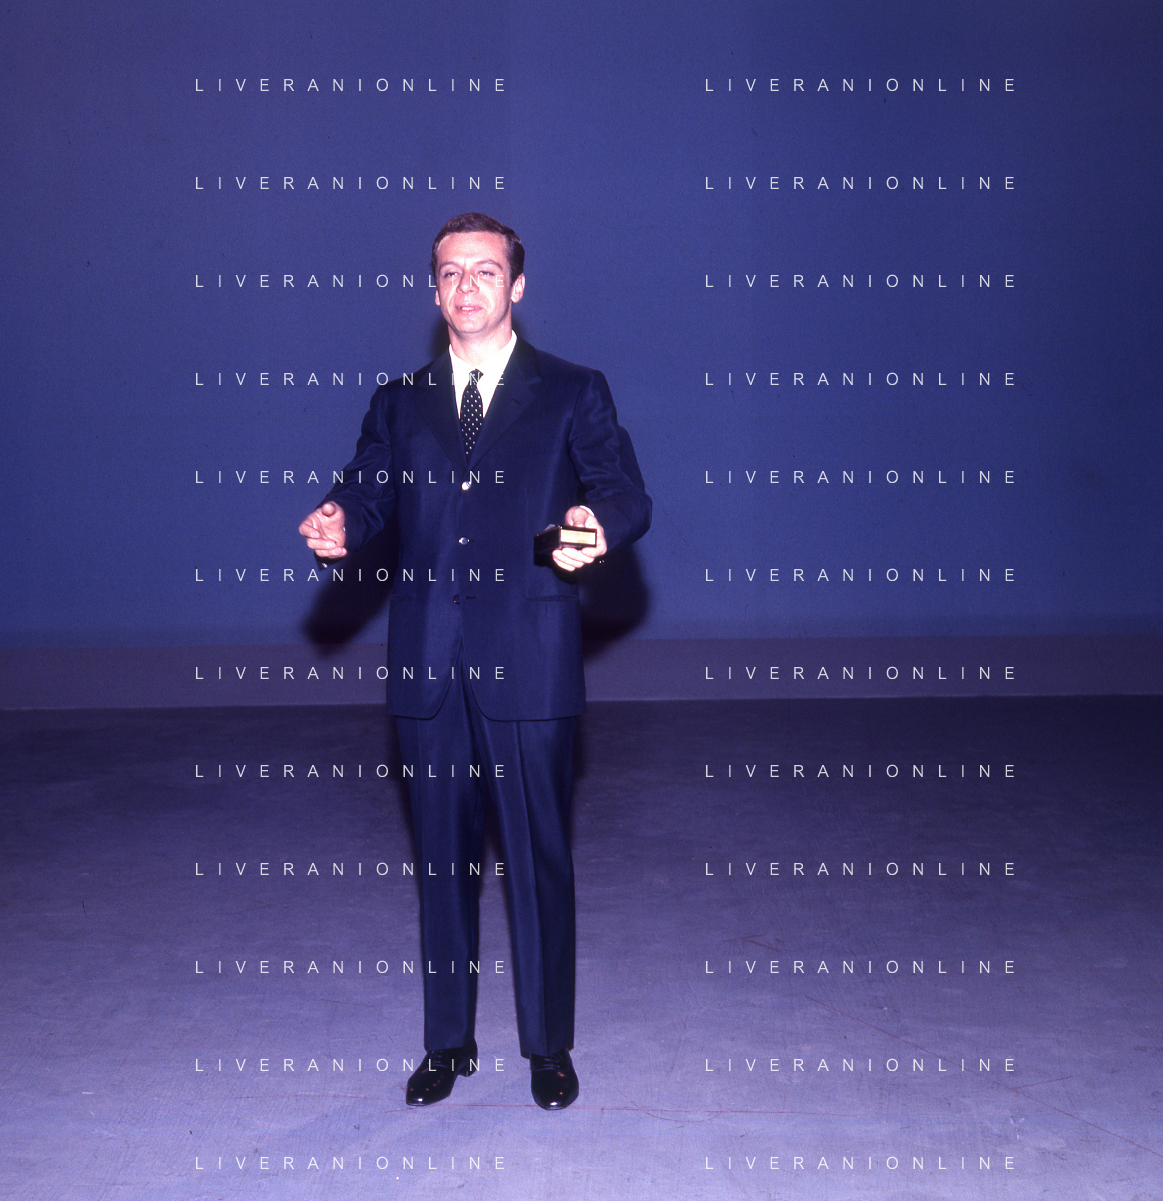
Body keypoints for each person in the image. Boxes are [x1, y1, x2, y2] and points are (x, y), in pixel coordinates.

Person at [298, 213, 650, 1110]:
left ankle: (548, 1047)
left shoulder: (572, 390)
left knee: (537, 859)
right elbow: (365, 489)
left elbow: (623, 491)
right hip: (427, 662)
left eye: (485, 271)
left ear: (516, 286)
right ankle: (446, 1041)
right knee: (441, 864)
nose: (466, 286)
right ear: (433, 289)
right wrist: (338, 521)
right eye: (450, 272)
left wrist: (598, 525)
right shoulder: (399, 400)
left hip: (527, 656)